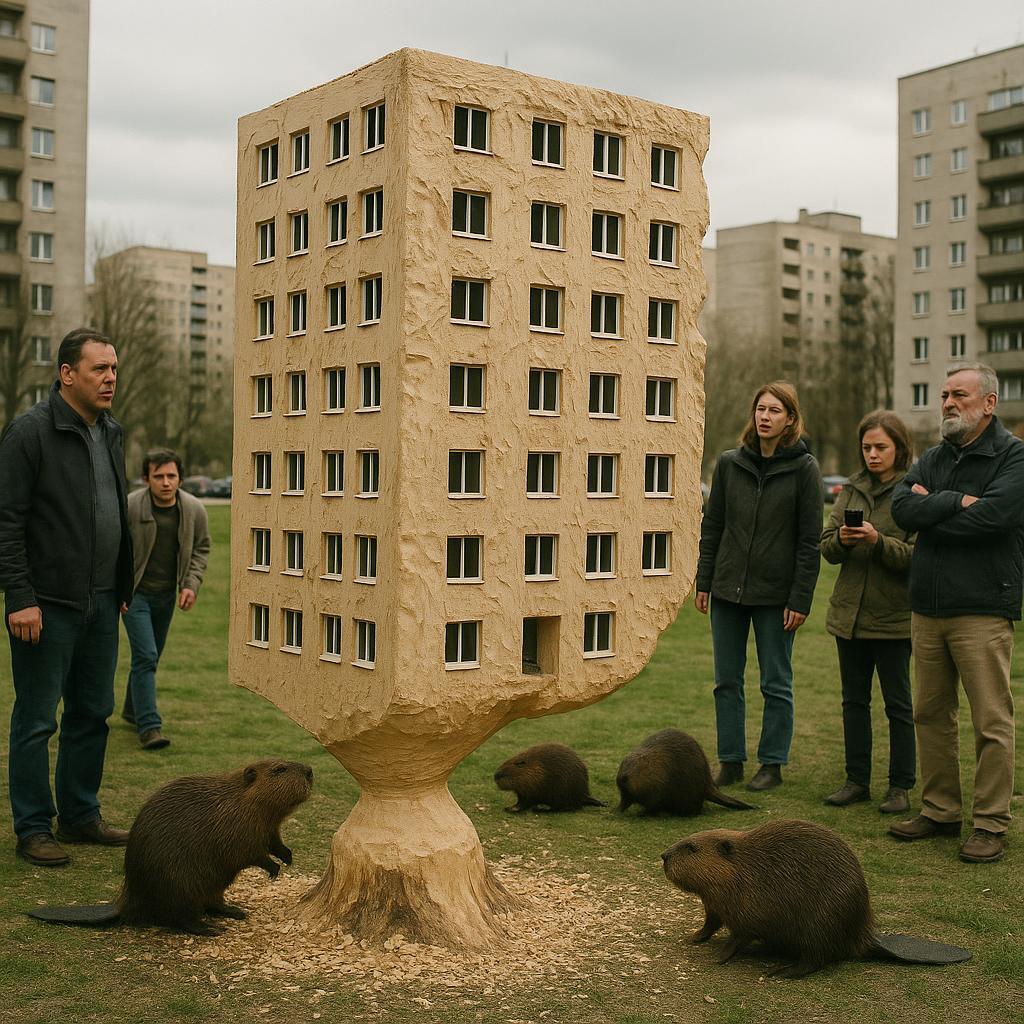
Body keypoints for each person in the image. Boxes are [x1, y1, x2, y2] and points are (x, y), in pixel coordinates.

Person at [0, 328, 133, 866]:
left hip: (102, 603)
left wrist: (120, 587)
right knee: (37, 719)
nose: (110, 378)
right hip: (45, 605)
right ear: (67, 374)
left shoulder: (113, 433)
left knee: (93, 713)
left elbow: (114, 513)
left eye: (114, 369)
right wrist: (19, 597)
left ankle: (80, 816)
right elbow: (6, 522)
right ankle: (34, 827)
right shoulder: (29, 433)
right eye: (99, 369)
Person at [889, 363, 1023, 863]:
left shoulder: (1014, 457)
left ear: (988, 403)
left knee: (991, 720)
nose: (947, 403)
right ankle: (940, 810)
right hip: (927, 607)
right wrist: (954, 501)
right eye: (944, 394)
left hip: (982, 608)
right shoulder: (932, 457)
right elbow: (902, 510)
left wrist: (934, 512)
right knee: (930, 714)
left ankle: (990, 823)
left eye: (958, 395)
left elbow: (993, 519)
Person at [695, 381, 823, 792]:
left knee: (775, 683)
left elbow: (809, 542)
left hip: (777, 597)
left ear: (790, 420)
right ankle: (730, 760)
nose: (765, 417)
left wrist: (800, 597)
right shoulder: (730, 464)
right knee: (726, 681)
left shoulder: (805, 469)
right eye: (760, 409)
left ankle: (772, 763)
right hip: (727, 591)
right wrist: (705, 579)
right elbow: (713, 526)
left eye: (775, 411)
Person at [820, 410, 916, 814]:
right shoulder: (851, 489)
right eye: (867, 447)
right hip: (850, 618)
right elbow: (825, 547)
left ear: (899, 448)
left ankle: (900, 787)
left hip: (894, 620)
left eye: (881, 447)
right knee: (853, 703)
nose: (873, 454)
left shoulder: (914, 491)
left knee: (899, 706)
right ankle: (856, 780)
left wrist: (877, 541)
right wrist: (842, 539)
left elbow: (916, 557)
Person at [122, 448, 210, 750]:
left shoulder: (194, 509)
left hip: (166, 597)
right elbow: (114, 549)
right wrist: (120, 590)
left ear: (180, 478)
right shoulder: (131, 506)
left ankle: (131, 709)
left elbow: (201, 549)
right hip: (133, 596)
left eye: (171, 475)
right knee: (146, 656)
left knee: (149, 658)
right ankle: (149, 727)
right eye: (158, 476)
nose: (165, 482)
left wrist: (190, 585)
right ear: (146, 478)